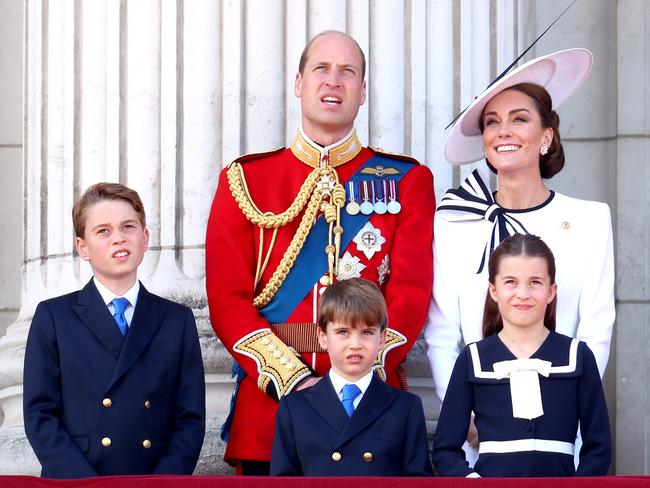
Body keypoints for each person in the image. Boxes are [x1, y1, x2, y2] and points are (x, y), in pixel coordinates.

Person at [206, 30, 434, 474]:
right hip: (270, 410)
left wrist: (359, 376)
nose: (334, 81)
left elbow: (410, 293)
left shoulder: (407, 180)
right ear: (298, 83)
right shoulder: (245, 180)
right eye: (321, 70)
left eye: (347, 72)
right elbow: (226, 299)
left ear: (362, 91)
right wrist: (292, 380)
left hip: (371, 410)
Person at [425, 49, 615, 456]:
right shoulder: (454, 221)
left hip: (565, 433)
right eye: (493, 122)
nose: (503, 131)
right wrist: (465, 414)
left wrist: (567, 410)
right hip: (481, 433)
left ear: (546, 136)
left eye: (519, 119)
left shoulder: (590, 219)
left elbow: (596, 329)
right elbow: (441, 334)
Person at [23, 183, 206, 478]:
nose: (119, 238)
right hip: (77, 482)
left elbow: (190, 420)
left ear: (144, 238)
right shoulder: (54, 317)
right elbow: (40, 415)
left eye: (128, 227)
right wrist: (85, 485)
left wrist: (161, 485)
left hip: (153, 482)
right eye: (103, 231)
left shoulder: (177, 320)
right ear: (83, 247)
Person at [432, 234, 611, 477]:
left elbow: (599, 449)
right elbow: (445, 450)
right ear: (493, 291)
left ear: (551, 291)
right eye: (511, 282)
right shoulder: (472, 358)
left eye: (535, 282)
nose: (523, 293)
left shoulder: (578, 356)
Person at [270, 278, 432, 476]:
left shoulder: (405, 407)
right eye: (343, 332)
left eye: (366, 332)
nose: (355, 344)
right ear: (322, 337)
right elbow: (283, 480)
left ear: (382, 338)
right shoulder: (294, 408)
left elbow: (418, 480)